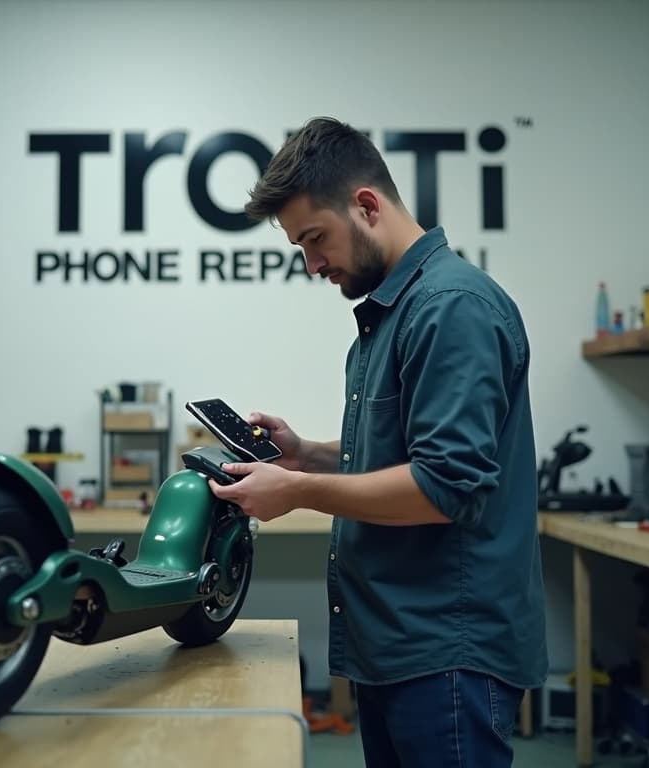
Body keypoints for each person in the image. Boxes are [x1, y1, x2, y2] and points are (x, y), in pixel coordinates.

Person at [208, 117, 548, 768]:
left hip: (447, 653)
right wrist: (306, 453)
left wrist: (300, 491)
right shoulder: (395, 313)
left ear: (366, 205)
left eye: (315, 238)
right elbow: (411, 452)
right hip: (398, 647)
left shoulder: (451, 308)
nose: (311, 265)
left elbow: (446, 485)